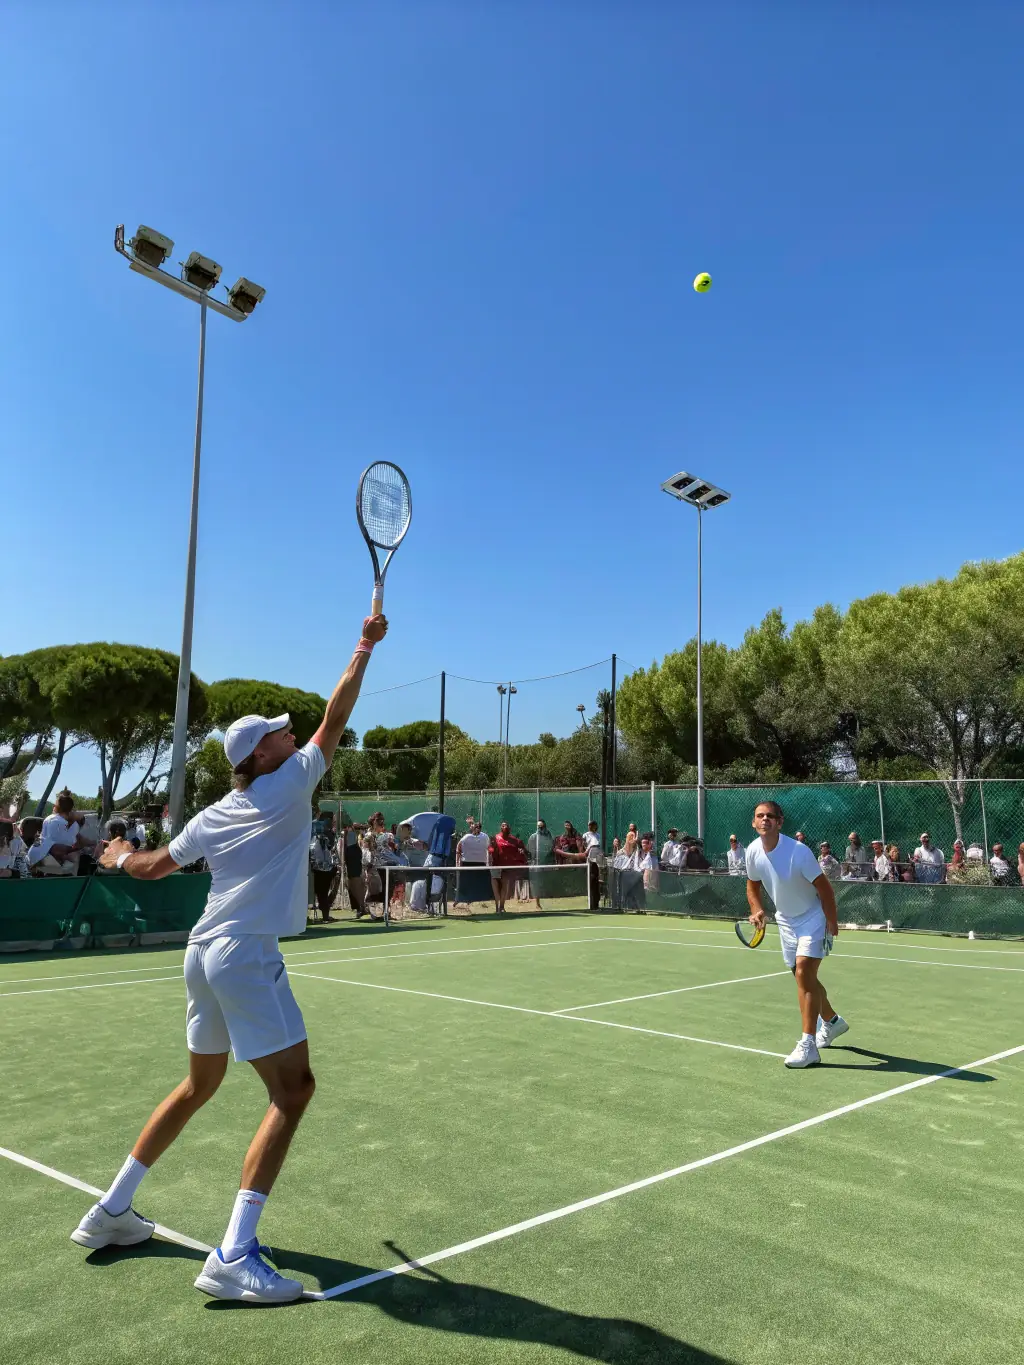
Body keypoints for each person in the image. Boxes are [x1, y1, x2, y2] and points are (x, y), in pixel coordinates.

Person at [72, 611, 388, 1304]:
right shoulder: (294, 778)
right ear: (265, 755)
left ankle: (113, 1210)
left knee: (198, 1085)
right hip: (243, 954)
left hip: (201, 952)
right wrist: (364, 644)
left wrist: (119, 853)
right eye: (278, 730)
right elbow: (337, 712)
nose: (290, 731)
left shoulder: (216, 811)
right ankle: (234, 1253)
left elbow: (154, 864)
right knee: (294, 1089)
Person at [745, 800, 845, 1069]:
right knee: (802, 976)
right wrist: (756, 910)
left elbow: (825, 889)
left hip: (813, 917)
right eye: (759, 816)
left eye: (770, 816)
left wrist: (831, 922)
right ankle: (833, 1022)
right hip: (785, 921)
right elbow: (752, 886)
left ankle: (808, 1045)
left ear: (780, 822)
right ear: (753, 823)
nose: (764, 820)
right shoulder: (752, 851)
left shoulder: (798, 852)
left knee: (803, 972)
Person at [27, 790, 83, 876]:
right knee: (74, 858)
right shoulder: (63, 823)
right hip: (44, 858)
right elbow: (63, 847)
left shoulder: (50, 818)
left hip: (34, 855)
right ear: (71, 810)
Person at [489, 822, 528, 915]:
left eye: (506, 825)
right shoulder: (495, 838)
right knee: (495, 887)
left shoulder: (514, 840)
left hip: (507, 866)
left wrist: (521, 851)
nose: (504, 827)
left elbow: (522, 848)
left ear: (509, 828)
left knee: (504, 886)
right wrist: (492, 850)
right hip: (496, 866)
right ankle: (497, 907)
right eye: (503, 825)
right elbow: (490, 849)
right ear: (500, 828)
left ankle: (502, 907)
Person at [309, 813, 338, 923]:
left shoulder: (317, 834)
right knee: (323, 893)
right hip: (321, 868)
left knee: (322, 893)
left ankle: (325, 915)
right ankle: (325, 915)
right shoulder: (324, 835)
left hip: (319, 868)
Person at [455, 818, 491, 907]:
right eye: (475, 827)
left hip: (481, 863)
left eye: (479, 827)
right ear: (473, 828)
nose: (477, 829)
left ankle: (479, 900)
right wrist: (457, 862)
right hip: (467, 863)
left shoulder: (485, 837)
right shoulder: (466, 837)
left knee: (479, 883)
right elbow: (458, 849)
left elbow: (489, 849)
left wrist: (489, 862)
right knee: (464, 883)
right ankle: (459, 900)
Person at [526, 819, 555, 909]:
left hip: (547, 863)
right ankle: (537, 904)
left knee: (546, 883)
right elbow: (530, 851)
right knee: (537, 884)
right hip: (536, 864)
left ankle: (550, 902)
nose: (540, 828)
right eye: (538, 827)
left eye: (541, 827)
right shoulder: (533, 837)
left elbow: (551, 848)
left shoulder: (549, 836)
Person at [341, 821, 367, 917]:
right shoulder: (346, 832)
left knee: (356, 882)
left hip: (353, 856)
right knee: (352, 884)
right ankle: (360, 907)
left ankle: (361, 907)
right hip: (349, 856)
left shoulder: (350, 832)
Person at [582, 820, 605, 910]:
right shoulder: (585, 835)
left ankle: (596, 902)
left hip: (598, 857)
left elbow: (598, 845)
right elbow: (584, 846)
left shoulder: (598, 835)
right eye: (589, 825)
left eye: (592, 825)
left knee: (597, 880)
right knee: (591, 879)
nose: (590, 827)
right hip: (590, 858)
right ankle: (591, 903)